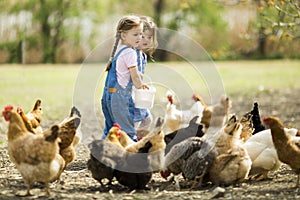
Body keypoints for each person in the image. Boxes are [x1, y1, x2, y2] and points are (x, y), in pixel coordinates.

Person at [101, 15, 149, 142]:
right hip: (120, 99)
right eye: (135, 34)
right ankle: (132, 158)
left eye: (140, 34)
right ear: (123, 35)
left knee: (110, 130)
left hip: (107, 96)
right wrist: (141, 87)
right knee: (127, 132)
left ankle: (101, 155)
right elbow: (134, 76)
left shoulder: (118, 49)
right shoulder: (130, 53)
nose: (139, 37)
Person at [133, 16, 158, 136]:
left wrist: (143, 85)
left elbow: (140, 76)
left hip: (138, 94)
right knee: (132, 121)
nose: (146, 40)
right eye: (142, 36)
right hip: (131, 95)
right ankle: (128, 140)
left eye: (149, 37)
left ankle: (135, 139)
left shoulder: (142, 55)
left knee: (147, 119)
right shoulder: (131, 54)